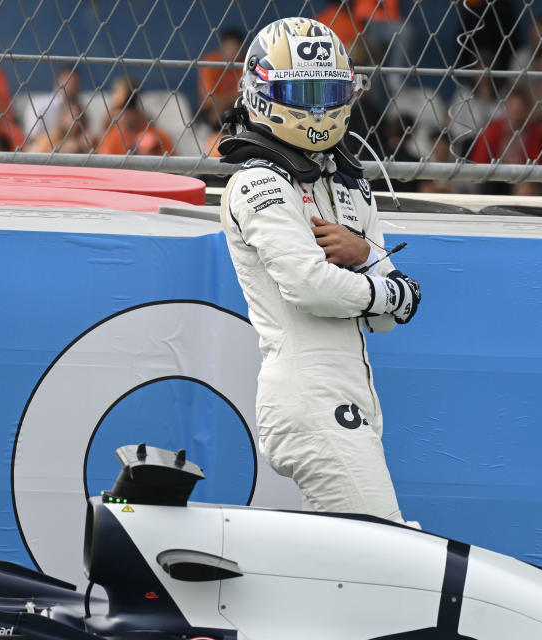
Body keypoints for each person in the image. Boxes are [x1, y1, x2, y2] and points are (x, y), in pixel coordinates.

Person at [217, 17, 422, 524]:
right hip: (308, 396)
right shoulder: (256, 182)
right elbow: (311, 288)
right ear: (264, 92)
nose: (317, 107)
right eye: (302, 92)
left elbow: (384, 319)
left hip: (354, 396)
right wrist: (386, 287)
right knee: (386, 549)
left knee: (342, 569)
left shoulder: (353, 185)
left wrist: (360, 254)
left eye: (328, 91)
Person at [199, 27, 246, 129]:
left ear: (241, 48)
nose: (232, 51)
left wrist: (223, 103)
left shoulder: (246, 63)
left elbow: (248, 96)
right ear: (221, 47)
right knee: (216, 117)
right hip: (212, 110)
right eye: (229, 47)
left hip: (238, 108)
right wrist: (234, 96)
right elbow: (209, 100)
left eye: (235, 47)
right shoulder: (210, 62)